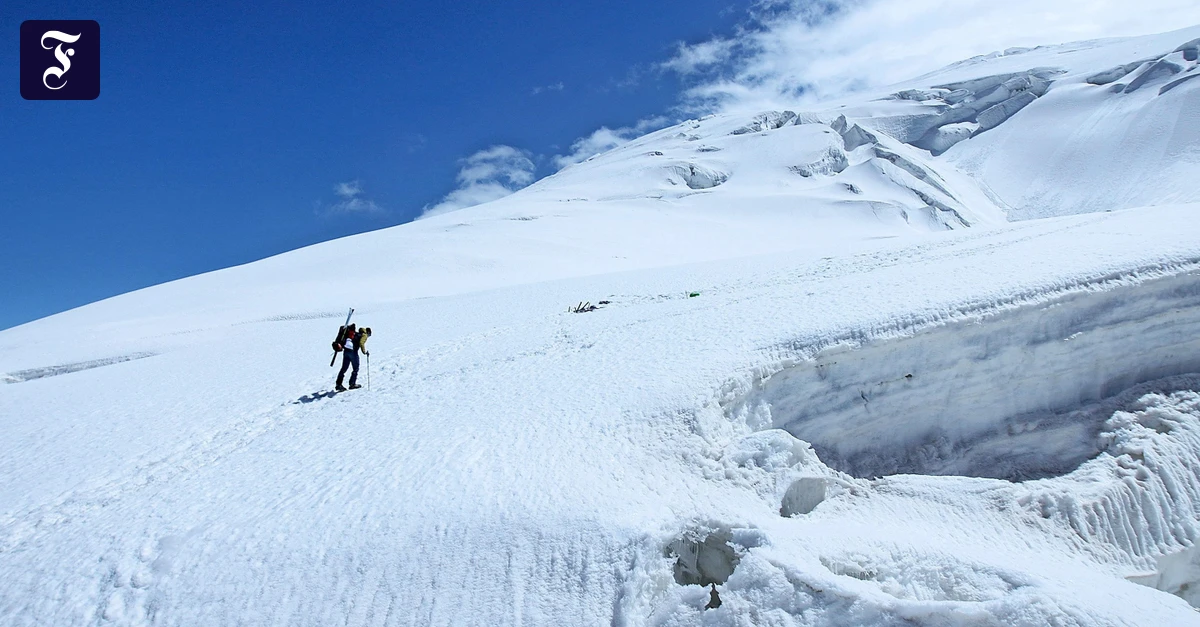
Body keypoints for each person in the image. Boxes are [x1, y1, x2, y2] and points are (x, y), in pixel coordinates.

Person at [334, 324, 371, 391]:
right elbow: (361, 343)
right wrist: (364, 352)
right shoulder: (364, 335)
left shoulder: (356, 334)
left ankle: (338, 384)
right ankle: (352, 384)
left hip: (346, 351)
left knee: (344, 368)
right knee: (356, 368)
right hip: (353, 351)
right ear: (368, 332)